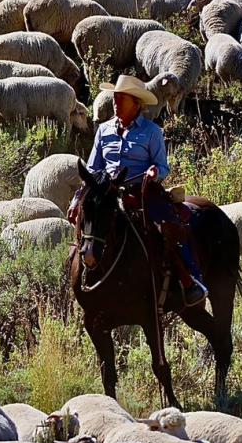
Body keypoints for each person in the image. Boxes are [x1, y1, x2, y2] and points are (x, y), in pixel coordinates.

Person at [69, 74, 208, 306]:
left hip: (142, 190)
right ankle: (81, 275)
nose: (114, 102)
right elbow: (93, 169)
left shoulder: (152, 132)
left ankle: (189, 280)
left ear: (135, 103)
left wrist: (155, 172)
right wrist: (78, 198)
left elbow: (162, 166)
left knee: (168, 227)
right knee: (87, 223)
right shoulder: (103, 131)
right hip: (108, 192)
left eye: (120, 98)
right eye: (115, 98)